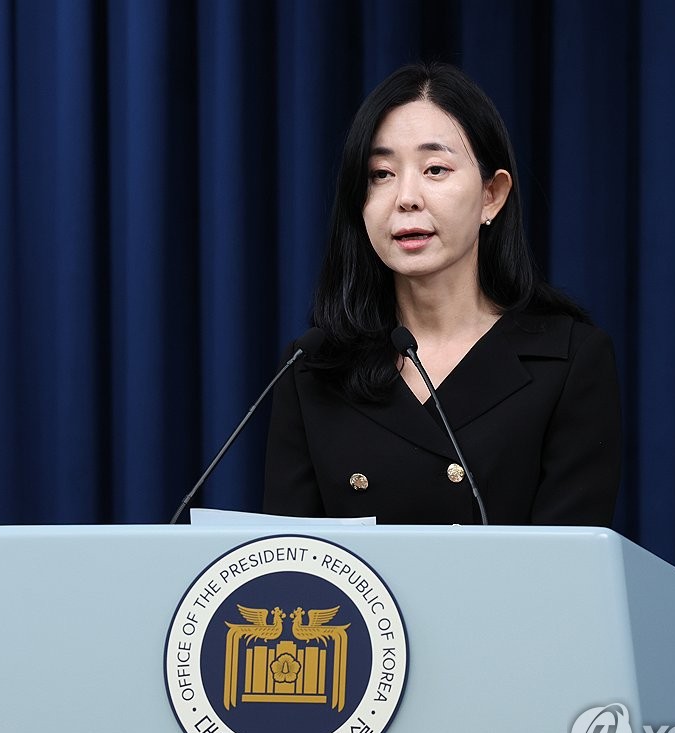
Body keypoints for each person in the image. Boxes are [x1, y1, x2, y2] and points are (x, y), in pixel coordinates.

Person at [263, 62, 621, 527]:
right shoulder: (313, 368)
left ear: (492, 195)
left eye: (435, 169)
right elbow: (290, 572)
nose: (406, 197)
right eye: (381, 174)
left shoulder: (568, 362)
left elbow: (569, 576)